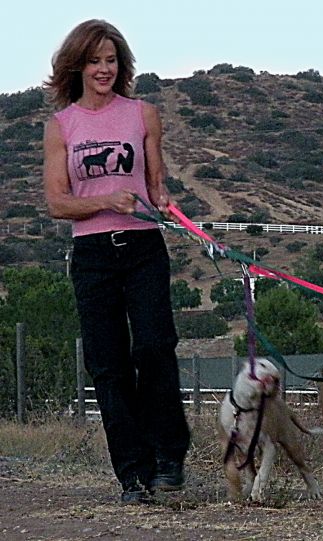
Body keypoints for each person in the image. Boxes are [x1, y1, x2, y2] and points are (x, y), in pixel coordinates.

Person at [43, 19, 190, 505]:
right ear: (78, 65)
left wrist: (163, 198)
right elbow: (58, 203)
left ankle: (170, 456)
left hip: (144, 247)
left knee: (153, 347)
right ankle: (132, 474)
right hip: (92, 255)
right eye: (95, 60)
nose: (104, 69)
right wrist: (107, 200)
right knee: (108, 366)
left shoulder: (143, 114)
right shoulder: (61, 126)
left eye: (111, 60)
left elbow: (156, 183)